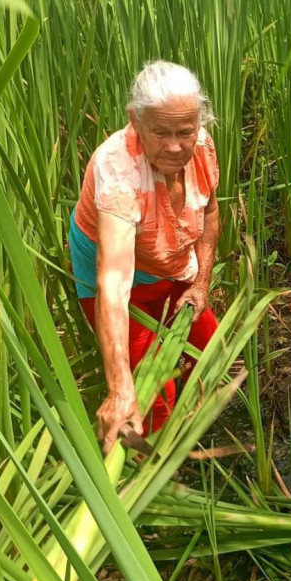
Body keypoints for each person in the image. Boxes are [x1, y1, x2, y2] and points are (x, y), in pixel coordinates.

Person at [69, 61, 221, 454]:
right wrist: (120, 388)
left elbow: (209, 211)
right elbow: (115, 282)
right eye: (161, 132)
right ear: (135, 120)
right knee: (155, 393)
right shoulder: (119, 171)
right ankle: (154, 480)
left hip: (170, 263)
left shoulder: (201, 145)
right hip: (124, 281)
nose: (175, 146)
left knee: (211, 353)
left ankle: (197, 434)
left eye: (184, 132)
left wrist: (201, 281)